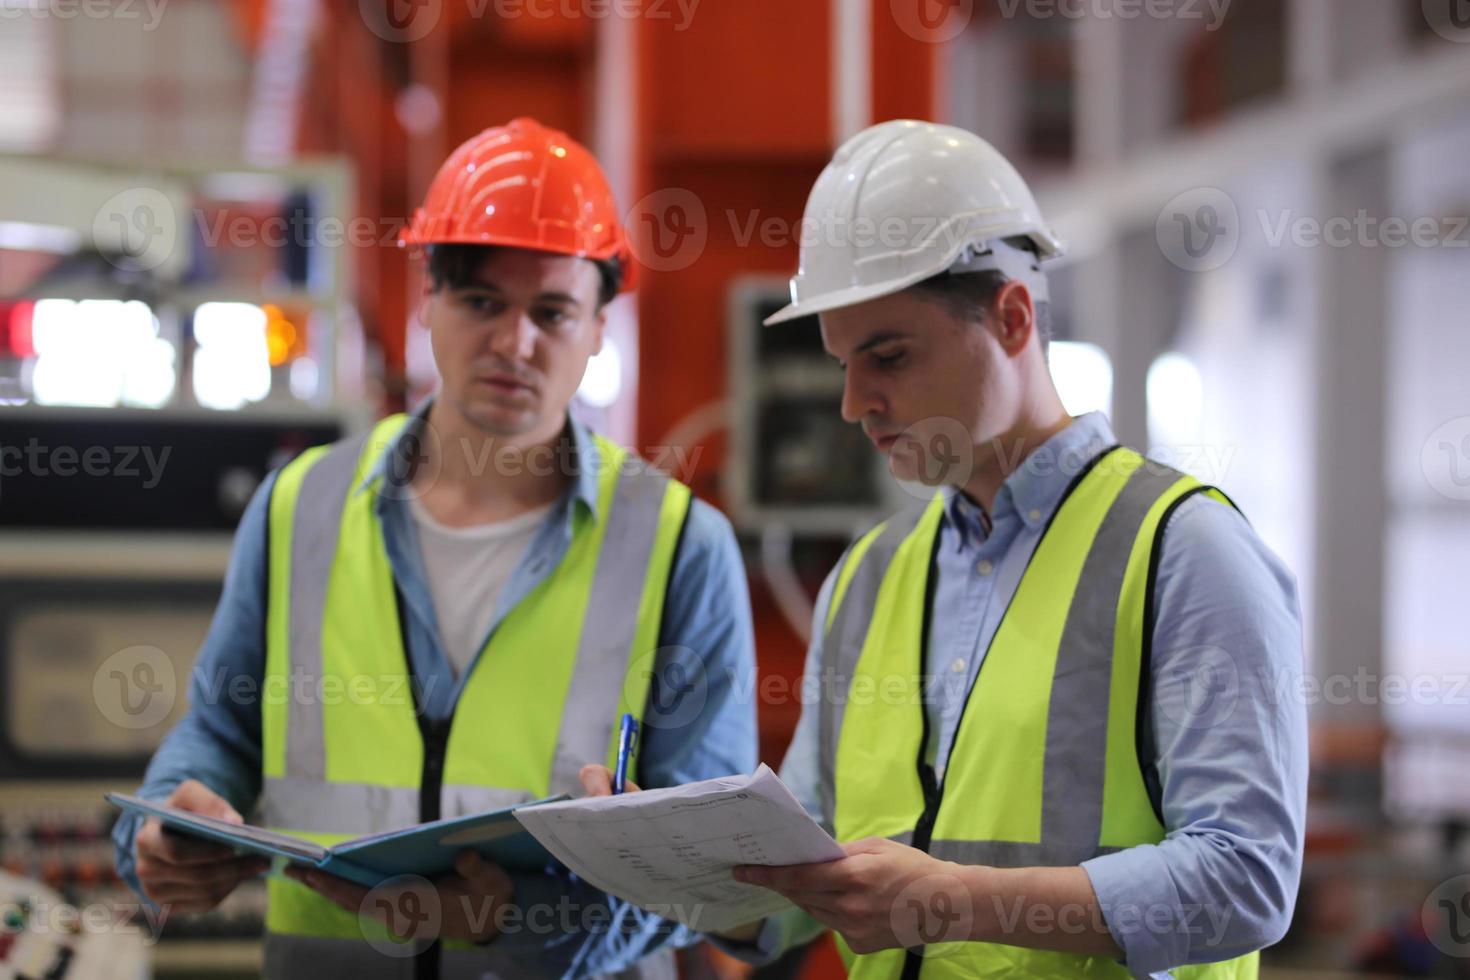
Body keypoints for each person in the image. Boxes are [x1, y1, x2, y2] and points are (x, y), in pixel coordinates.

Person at [586, 119, 1306, 979]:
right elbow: (801, 891)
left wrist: (959, 900)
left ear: (1011, 316)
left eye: (888, 356)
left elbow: (1248, 878)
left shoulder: (1183, 552)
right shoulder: (868, 578)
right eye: (843, 363)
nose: (855, 404)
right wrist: (671, 864)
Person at [111, 117, 757, 979]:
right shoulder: (301, 504)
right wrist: (159, 827)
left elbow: (708, 873)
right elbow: (219, 731)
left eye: (553, 311)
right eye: (482, 301)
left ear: (602, 325)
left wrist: (521, 920)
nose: (514, 343)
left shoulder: (683, 547)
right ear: (428, 300)